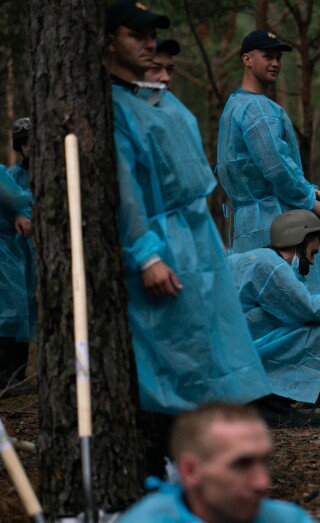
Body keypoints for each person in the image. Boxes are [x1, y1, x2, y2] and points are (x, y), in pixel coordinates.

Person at [105, 0, 271, 414]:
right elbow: (124, 188)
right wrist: (147, 256)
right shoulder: (113, 106)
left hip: (195, 234)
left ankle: (217, 424)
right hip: (161, 239)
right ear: (109, 42)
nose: (149, 45)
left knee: (211, 332)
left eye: (152, 36)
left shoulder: (158, 100)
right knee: (174, 345)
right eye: (136, 36)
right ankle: (175, 436)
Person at [105, 402, 320, 523]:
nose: (262, 483)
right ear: (190, 471)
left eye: (264, 461)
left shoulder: (277, 521)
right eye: (241, 465)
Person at [216, 30, 320, 296]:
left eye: (278, 58)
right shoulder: (258, 108)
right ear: (247, 59)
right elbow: (277, 167)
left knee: (256, 295)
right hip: (275, 219)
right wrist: (310, 200)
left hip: (247, 222)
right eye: (267, 56)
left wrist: (309, 190)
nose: (275, 63)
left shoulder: (234, 104)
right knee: (294, 297)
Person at [230, 210, 320, 425]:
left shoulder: (257, 260)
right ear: (298, 241)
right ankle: (270, 406)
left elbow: (283, 313)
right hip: (238, 355)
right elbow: (308, 308)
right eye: (312, 253)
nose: (312, 262)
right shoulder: (269, 266)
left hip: (233, 350)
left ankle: (273, 401)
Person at [0, 164, 33, 387]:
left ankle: (12, 376)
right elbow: (17, 197)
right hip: (5, 252)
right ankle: (7, 377)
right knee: (9, 311)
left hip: (9, 250)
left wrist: (21, 213)